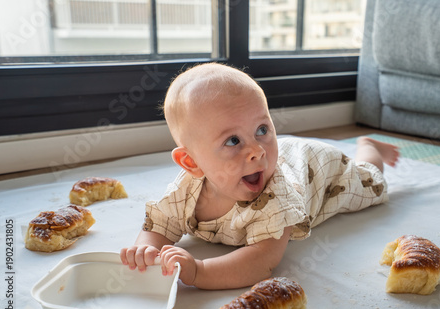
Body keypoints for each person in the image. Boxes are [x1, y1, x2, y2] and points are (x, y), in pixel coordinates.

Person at [120, 63, 399, 290]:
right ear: (191, 162)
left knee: (370, 183)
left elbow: (260, 262)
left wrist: (200, 270)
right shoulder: (184, 192)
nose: (256, 151)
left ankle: (369, 147)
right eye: (232, 141)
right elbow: (157, 225)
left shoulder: (275, 198)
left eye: (262, 129)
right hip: (292, 158)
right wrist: (147, 251)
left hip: (319, 170)